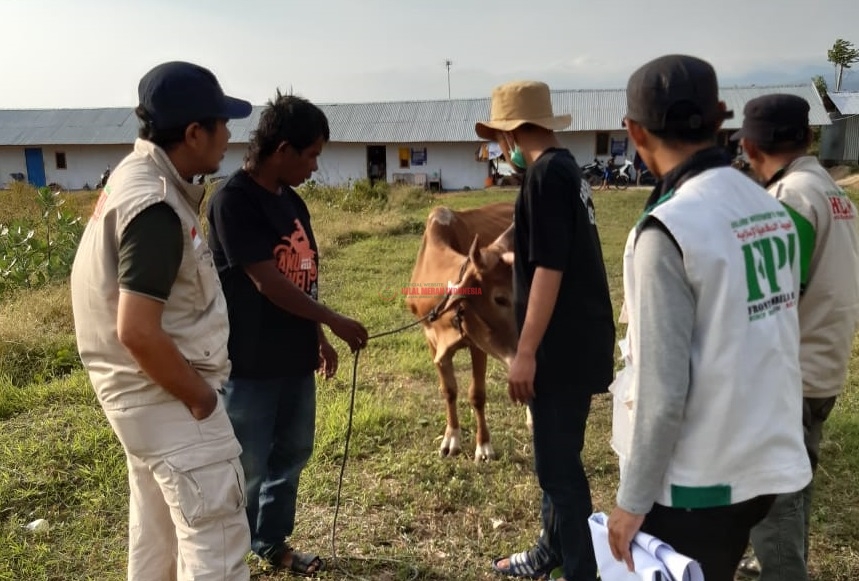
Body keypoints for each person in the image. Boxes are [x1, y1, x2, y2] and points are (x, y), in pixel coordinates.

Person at [606, 54, 814, 581]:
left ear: (633, 131)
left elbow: (663, 387)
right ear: (722, 118)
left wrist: (631, 502)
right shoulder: (770, 210)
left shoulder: (668, 230)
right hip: (766, 463)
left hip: (700, 481)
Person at [69, 61, 254, 580]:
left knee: (160, 544)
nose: (229, 135)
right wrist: (201, 400)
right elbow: (137, 329)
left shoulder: (135, 179)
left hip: (143, 401)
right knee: (216, 541)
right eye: (222, 123)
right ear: (194, 134)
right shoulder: (154, 205)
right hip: (171, 400)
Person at [205, 91, 369, 575]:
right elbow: (267, 281)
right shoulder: (233, 202)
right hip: (251, 363)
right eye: (312, 153)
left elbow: (303, 274)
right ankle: (229, 555)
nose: (316, 166)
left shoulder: (293, 202)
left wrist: (317, 337)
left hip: (295, 359)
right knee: (247, 467)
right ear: (282, 151)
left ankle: (272, 542)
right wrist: (334, 320)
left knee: (292, 453)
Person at [475, 80, 616, 581]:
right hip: (581, 340)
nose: (500, 150)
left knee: (559, 472)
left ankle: (582, 570)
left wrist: (526, 352)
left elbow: (551, 271)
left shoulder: (543, 177)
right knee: (558, 460)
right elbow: (550, 254)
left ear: (512, 133)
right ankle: (549, 552)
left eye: (499, 138)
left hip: (560, 348)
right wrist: (503, 257)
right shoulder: (566, 169)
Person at [731, 94, 859, 580]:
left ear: (748, 146)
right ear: (807, 137)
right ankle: (777, 562)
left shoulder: (788, 201)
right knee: (796, 485)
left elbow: (770, 298)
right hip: (824, 365)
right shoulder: (831, 193)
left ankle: (783, 570)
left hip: (789, 374)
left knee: (771, 500)